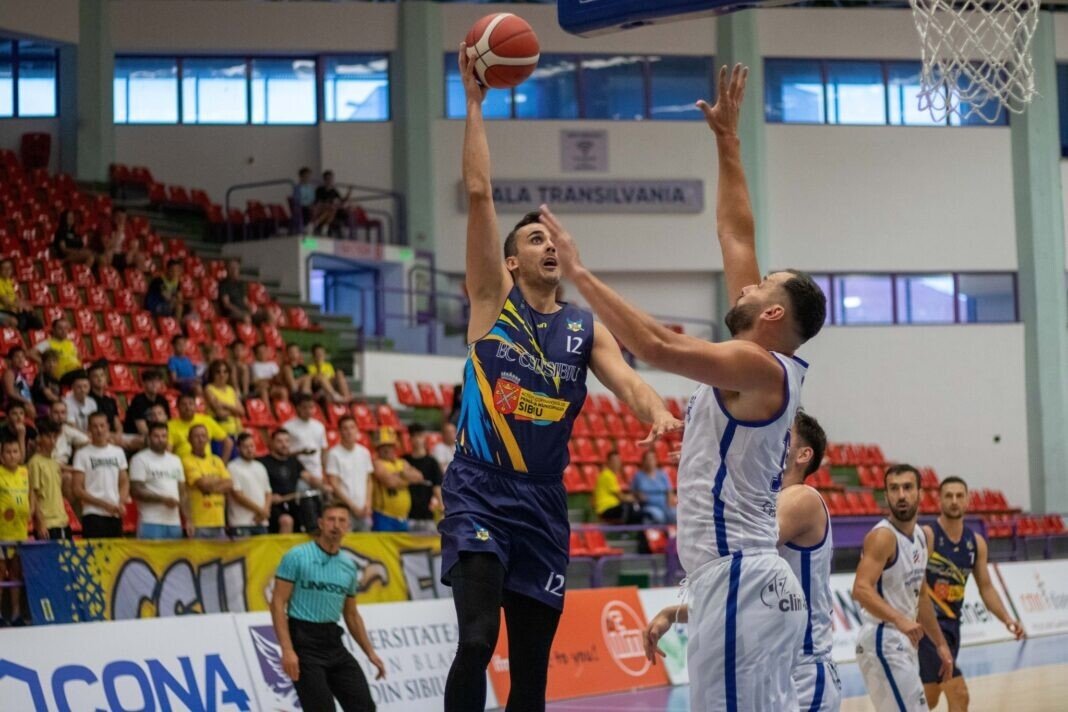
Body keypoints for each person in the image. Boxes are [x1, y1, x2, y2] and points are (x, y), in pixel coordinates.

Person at [548, 64, 828, 712]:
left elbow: (657, 347)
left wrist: (581, 276)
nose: (748, 284)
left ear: (773, 313)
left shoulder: (762, 368)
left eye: (762, 286)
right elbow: (735, 233)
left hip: (741, 583)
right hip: (741, 585)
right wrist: (727, 143)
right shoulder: (757, 359)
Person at [440, 45, 680, 712]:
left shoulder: (583, 327)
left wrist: (656, 412)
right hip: (479, 490)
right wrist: (476, 102)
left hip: (544, 503)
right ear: (512, 263)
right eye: (534, 240)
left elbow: (628, 383)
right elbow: (480, 192)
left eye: (553, 239)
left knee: (533, 675)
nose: (548, 245)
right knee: (477, 640)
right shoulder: (491, 301)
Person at [645, 411, 840, 711]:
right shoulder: (765, 508)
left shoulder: (802, 497)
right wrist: (673, 614)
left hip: (803, 670)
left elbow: (740, 543)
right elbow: (742, 594)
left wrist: (712, 469)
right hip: (776, 667)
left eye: (783, 435)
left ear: (803, 454)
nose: (771, 438)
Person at [853, 465, 954, 712]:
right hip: (882, 638)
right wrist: (900, 619)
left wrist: (940, 644)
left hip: (904, 641)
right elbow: (861, 589)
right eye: (894, 489)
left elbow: (922, 596)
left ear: (920, 493)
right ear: (886, 495)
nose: (901, 495)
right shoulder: (883, 537)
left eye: (907, 488)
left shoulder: (922, 536)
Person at [919, 476, 1025, 711]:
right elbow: (915, 585)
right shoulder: (928, 536)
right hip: (927, 628)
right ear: (939, 501)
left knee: (929, 697)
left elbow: (986, 587)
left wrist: (1007, 619)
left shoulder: (976, 543)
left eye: (959, 496)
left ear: (968, 501)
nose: (954, 501)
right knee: (959, 693)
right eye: (948, 496)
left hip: (952, 627)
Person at [270, 502, 386, 711]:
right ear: (321, 523)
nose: (336, 525)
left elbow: (351, 615)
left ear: (348, 527)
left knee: (364, 706)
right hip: (303, 642)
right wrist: (287, 650)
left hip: (333, 642)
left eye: (342, 521)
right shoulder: (297, 556)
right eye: (331, 519)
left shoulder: (348, 566)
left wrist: (370, 652)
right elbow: (277, 603)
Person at [71, 412, 129, 538]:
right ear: (89, 429)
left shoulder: (118, 452)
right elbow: (77, 489)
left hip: (114, 513)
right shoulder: (82, 454)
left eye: (102, 426)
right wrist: (104, 505)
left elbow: (124, 481)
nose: (99, 430)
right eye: (95, 426)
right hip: (92, 514)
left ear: (108, 427)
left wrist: (120, 502)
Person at [129, 422, 191, 540]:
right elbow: (136, 491)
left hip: (174, 522)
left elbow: (182, 492)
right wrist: (162, 499)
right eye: (156, 436)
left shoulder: (175, 460)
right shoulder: (139, 459)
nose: (160, 440)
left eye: (164, 436)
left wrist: (188, 519)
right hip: (150, 521)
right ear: (149, 438)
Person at [0, 437, 36, 626]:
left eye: (15, 451)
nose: (12, 455)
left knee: (16, 574)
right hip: (1, 534)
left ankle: (16, 614)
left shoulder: (24, 472)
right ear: (1, 456)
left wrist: (31, 509)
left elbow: (31, 493)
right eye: (8, 452)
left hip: (20, 532)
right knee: (0, 574)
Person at [283, 393, 330, 523]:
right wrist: (300, 452)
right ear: (298, 408)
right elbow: (284, 451)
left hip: (316, 471)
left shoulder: (319, 426)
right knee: (305, 505)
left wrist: (325, 471)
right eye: (304, 407)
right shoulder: (288, 426)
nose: (308, 410)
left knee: (320, 505)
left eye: (311, 407)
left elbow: (323, 450)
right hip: (298, 473)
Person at [182, 424, 232, 540]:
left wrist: (210, 487)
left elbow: (229, 484)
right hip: (199, 523)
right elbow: (202, 484)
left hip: (219, 521)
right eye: (196, 436)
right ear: (189, 440)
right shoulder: (186, 460)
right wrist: (218, 481)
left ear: (208, 439)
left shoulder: (217, 460)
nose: (200, 439)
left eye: (203, 436)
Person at [261, 428, 316, 534]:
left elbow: (309, 478)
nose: (284, 445)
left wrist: (325, 486)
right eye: (280, 441)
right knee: (286, 520)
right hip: (272, 506)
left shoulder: (293, 462)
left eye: (287, 441)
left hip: (292, 503)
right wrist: (268, 498)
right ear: (271, 443)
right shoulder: (263, 463)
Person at [325, 416, 374, 532]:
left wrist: (368, 504)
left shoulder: (364, 452)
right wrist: (352, 507)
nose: (349, 431)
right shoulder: (334, 454)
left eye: (352, 427)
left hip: (364, 510)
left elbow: (369, 480)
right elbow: (334, 483)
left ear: (357, 430)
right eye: (345, 428)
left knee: (365, 542)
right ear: (340, 431)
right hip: (345, 509)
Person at [371, 427, 423, 532]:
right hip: (383, 516)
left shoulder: (402, 462)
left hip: (403, 517)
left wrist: (398, 475)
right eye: (383, 446)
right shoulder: (377, 463)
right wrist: (406, 478)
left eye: (390, 446)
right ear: (378, 448)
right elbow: (390, 482)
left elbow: (419, 477)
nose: (387, 449)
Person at [28, 422, 71, 541]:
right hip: (47, 524)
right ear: (39, 438)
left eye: (54, 437)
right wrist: (41, 523)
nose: (52, 441)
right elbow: (33, 495)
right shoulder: (34, 463)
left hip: (62, 521)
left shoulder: (55, 463)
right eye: (48, 437)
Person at [228, 432, 273, 537]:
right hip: (241, 522)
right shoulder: (232, 467)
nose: (249, 450)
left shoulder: (260, 466)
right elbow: (238, 495)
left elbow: (268, 492)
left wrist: (265, 511)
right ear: (238, 448)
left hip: (261, 521)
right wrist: (261, 511)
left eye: (252, 446)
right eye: (245, 447)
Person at [168, 393, 232, 461]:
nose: (188, 407)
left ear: (195, 406)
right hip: (184, 464)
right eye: (184, 404)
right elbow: (167, 451)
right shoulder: (170, 425)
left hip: (207, 463)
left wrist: (223, 463)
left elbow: (228, 442)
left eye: (191, 404)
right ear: (177, 407)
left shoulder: (206, 420)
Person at [403, 424, 443, 533]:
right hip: (407, 516)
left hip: (427, 516)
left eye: (419, 436)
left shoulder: (432, 462)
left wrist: (442, 507)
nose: (417, 440)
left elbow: (437, 487)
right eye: (414, 436)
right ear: (409, 439)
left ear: (424, 438)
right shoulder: (404, 461)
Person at [593, 451, 642, 524]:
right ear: (608, 462)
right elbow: (621, 497)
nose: (616, 463)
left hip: (612, 507)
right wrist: (635, 498)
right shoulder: (607, 475)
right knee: (629, 507)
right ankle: (626, 530)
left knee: (632, 508)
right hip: (606, 509)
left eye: (618, 461)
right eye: (614, 461)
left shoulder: (612, 475)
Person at [122, 369, 172, 440]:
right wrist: (156, 439)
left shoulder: (163, 401)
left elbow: (167, 422)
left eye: (157, 381)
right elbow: (142, 429)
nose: (154, 384)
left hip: (156, 436)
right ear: (144, 383)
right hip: (135, 435)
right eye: (151, 381)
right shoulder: (138, 401)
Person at [631, 449, 676, 524]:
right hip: (648, 506)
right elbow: (633, 492)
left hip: (664, 505)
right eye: (648, 459)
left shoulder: (662, 475)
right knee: (659, 517)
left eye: (652, 458)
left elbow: (669, 491)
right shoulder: (638, 476)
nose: (650, 461)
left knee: (675, 515)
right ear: (643, 461)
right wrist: (639, 495)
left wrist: (669, 503)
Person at [33, 318, 82, 384]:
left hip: (77, 373)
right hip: (62, 376)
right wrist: (44, 363)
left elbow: (79, 356)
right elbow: (30, 353)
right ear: (54, 330)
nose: (63, 331)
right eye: (60, 328)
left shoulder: (71, 343)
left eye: (65, 328)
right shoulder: (47, 343)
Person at [205, 359, 245, 439]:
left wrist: (224, 404)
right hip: (221, 433)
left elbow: (242, 412)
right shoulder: (209, 389)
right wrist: (235, 411)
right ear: (212, 374)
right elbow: (220, 414)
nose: (222, 375)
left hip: (238, 430)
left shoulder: (231, 390)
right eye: (218, 372)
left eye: (225, 372)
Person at [0, 258, 42, 331]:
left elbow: (15, 298)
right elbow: (6, 301)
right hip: (2, 310)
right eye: (4, 268)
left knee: (34, 318)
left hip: (10, 309)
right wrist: (20, 306)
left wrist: (24, 305)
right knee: (14, 321)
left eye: (9, 268)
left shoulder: (9, 281)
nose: (7, 271)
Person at [313, 170, 353, 237]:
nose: (330, 181)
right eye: (328, 179)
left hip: (331, 210)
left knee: (334, 209)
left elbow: (342, 200)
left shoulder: (334, 191)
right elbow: (318, 201)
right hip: (322, 209)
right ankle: (323, 224)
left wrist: (349, 192)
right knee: (331, 208)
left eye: (331, 179)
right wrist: (327, 204)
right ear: (324, 180)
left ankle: (321, 224)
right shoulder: (319, 190)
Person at [49, 401, 89, 467]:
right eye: (56, 413)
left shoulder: (68, 430)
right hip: (48, 466)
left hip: (63, 467)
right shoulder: (43, 430)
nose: (60, 416)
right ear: (50, 414)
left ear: (66, 414)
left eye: (63, 413)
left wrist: (77, 449)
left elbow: (87, 441)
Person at [88, 363, 122, 434]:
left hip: (114, 435)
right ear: (89, 380)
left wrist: (118, 434)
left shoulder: (111, 400)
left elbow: (117, 423)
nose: (99, 379)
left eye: (102, 375)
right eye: (95, 376)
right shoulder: (88, 401)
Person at [31, 349, 62, 418]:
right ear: (43, 363)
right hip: (42, 406)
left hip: (54, 406)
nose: (51, 364)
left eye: (54, 361)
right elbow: (49, 396)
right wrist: (62, 401)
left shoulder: (56, 379)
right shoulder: (41, 377)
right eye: (48, 362)